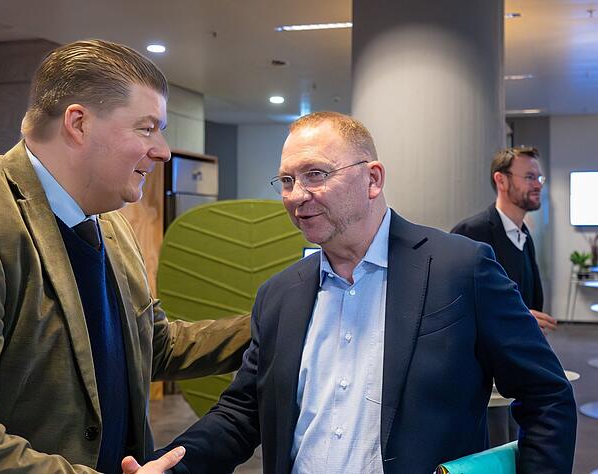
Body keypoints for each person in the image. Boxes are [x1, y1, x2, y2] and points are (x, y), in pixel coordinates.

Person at [0, 39, 250, 474]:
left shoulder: (109, 226)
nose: (163, 150)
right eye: (147, 128)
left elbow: (153, 345)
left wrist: (278, 319)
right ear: (78, 123)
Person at [150, 112, 576, 474]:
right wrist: (172, 465)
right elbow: (243, 412)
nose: (297, 196)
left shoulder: (461, 269)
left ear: (372, 179)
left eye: (316, 174)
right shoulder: (278, 296)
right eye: (287, 180)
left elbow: (546, 397)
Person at [452, 147, 556, 332]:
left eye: (539, 178)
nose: (538, 185)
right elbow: (455, 303)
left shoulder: (524, 236)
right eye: (529, 177)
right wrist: (516, 318)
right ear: (501, 180)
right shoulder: (471, 233)